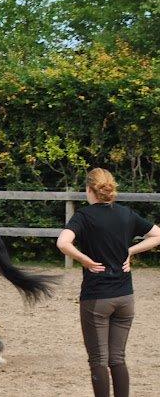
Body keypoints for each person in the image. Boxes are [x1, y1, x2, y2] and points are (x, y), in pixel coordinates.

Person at [56, 168, 160, 397]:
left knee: (98, 360)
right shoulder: (126, 214)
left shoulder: (83, 216)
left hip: (97, 298)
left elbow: (63, 243)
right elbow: (158, 235)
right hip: (125, 297)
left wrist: (85, 260)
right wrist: (129, 251)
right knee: (117, 358)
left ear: (89, 190)